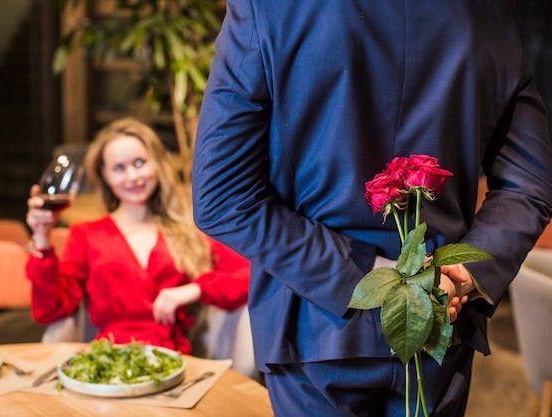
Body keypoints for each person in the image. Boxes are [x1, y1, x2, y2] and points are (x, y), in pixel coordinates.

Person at [191, 1, 552, 416]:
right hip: (440, 317)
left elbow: (221, 195)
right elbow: (530, 186)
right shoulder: (491, 14)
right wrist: (462, 275)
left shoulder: (270, 8)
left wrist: (371, 280)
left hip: (317, 321)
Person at [26, 117, 249, 354]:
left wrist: (193, 290)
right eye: (119, 168)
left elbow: (248, 275)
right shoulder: (86, 235)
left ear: (156, 164)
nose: (133, 177)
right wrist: (42, 238)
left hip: (172, 363)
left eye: (140, 162)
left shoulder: (188, 229)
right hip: (110, 364)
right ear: (105, 175)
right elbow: (50, 310)